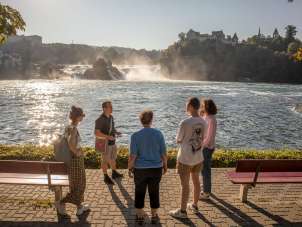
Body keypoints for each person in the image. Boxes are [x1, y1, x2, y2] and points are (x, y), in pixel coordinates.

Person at [128, 110, 167, 225]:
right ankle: (154, 216)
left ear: (141, 121)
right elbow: (163, 153)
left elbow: (133, 156)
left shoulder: (135, 136)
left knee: (139, 191)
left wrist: (130, 168)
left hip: (140, 169)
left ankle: (140, 216)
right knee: (154, 191)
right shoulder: (158, 134)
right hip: (156, 168)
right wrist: (165, 166)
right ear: (151, 120)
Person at [169, 97, 206, 218]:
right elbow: (203, 138)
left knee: (185, 185)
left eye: (186, 104)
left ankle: (183, 211)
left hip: (185, 158)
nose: (185, 107)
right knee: (196, 181)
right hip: (198, 157)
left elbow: (178, 140)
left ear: (190, 106)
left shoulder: (185, 123)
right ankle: (194, 205)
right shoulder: (204, 122)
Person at [56, 106, 90, 216]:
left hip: (71, 160)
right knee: (80, 184)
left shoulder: (68, 127)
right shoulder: (74, 129)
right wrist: (77, 152)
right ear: (78, 117)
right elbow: (71, 144)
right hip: (75, 160)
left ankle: (80, 207)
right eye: (82, 116)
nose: (82, 118)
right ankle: (61, 202)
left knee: (76, 184)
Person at [95, 101, 123, 185]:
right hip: (105, 144)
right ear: (104, 108)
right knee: (105, 161)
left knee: (113, 158)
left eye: (111, 106)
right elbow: (96, 133)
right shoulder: (99, 120)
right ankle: (105, 176)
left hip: (112, 142)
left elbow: (112, 129)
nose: (112, 108)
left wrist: (116, 132)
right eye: (110, 107)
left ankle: (114, 172)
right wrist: (107, 136)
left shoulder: (111, 117)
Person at [200, 99, 217, 200]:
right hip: (204, 147)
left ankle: (206, 193)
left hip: (207, 148)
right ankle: (206, 186)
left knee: (206, 170)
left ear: (207, 107)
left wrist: (201, 146)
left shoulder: (212, 119)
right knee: (203, 169)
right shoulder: (206, 117)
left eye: (203, 106)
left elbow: (209, 138)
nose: (201, 107)